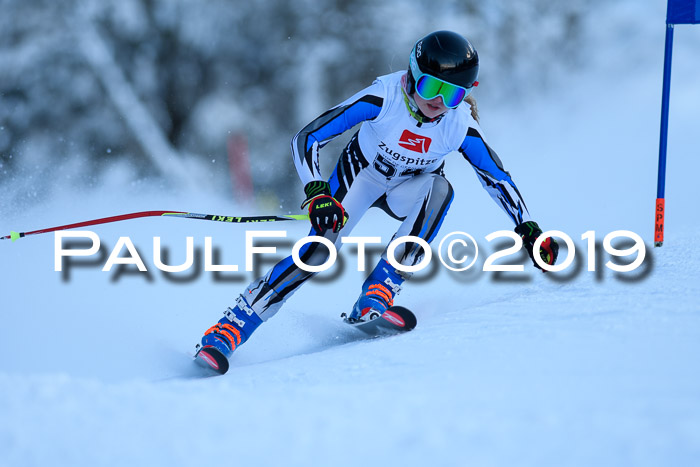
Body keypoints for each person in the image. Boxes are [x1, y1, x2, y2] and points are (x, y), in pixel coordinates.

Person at [196, 30, 559, 369]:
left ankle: (380, 290)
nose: (437, 101)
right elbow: (306, 139)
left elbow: (496, 177)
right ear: (412, 75)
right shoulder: (383, 96)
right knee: (318, 252)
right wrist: (317, 191)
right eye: (431, 86)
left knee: (441, 190)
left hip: (409, 190)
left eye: (452, 94)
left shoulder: (459, 124)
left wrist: (528, 228)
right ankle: (230, 328)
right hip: (361, 180)